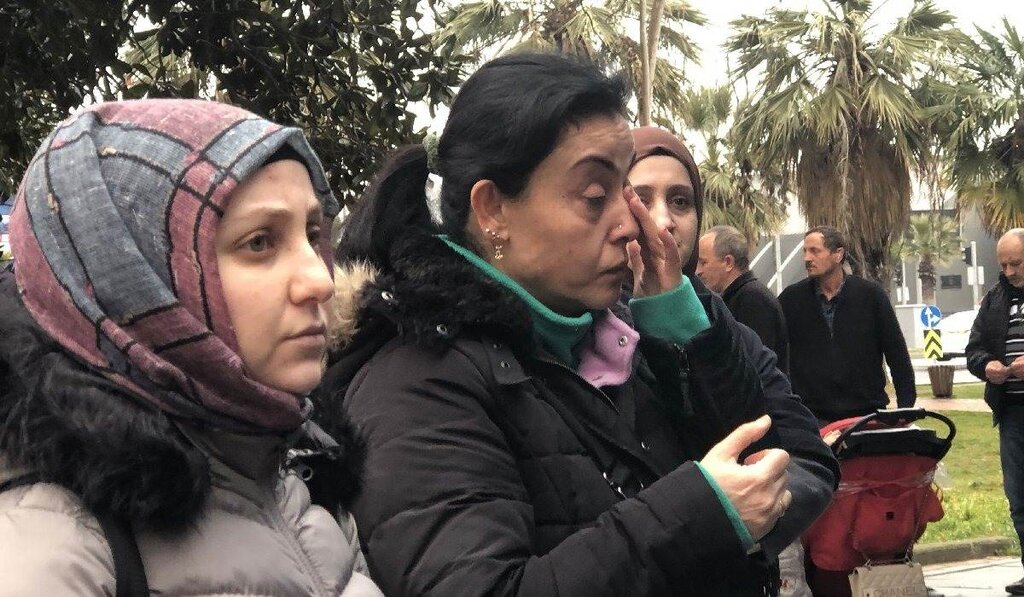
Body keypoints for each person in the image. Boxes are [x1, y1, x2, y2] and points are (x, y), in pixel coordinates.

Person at [318, 53, 836, 596]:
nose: (632, 224)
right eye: (594, 197)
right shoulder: (418, 380)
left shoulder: (605, 337)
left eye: (624, 191)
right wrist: (699, 515)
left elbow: (760, 459)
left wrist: (679, 328)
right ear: (492, 210)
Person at [0, 100, 382, 596]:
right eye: (260, 242)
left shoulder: (303, 472)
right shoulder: (55, 550)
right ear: (133, 280)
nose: (320, 280)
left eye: (312, 234)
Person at [627, 126, 818, 597]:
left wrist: (755, 514)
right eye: (640, 198)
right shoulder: (581, 329)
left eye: (680, 201)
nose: (663, 221)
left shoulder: (727, 326)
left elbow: (810, 462)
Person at [779, 226, 916, 423]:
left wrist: (906, 408)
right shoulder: (790, 299)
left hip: (867, 414)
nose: (807, 258)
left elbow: (897, 354)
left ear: (838, 254)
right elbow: (774, 355)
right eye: (805, 251)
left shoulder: (871, 296)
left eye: (815, 251)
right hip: (811, 417)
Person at [966, 228, 1024, 595]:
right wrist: (986, 366)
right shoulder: (995, 299)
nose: (1009, 271)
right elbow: (974, 349)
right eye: (1003, 265)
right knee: (1018, 496)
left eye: (1016, 263)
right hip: (1012, 412)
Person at [697, 224, 789, 373]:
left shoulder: (752, 300)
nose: (698, 271)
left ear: (728, 262)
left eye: (703, 263)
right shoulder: (741, 296)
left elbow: (755, 364)